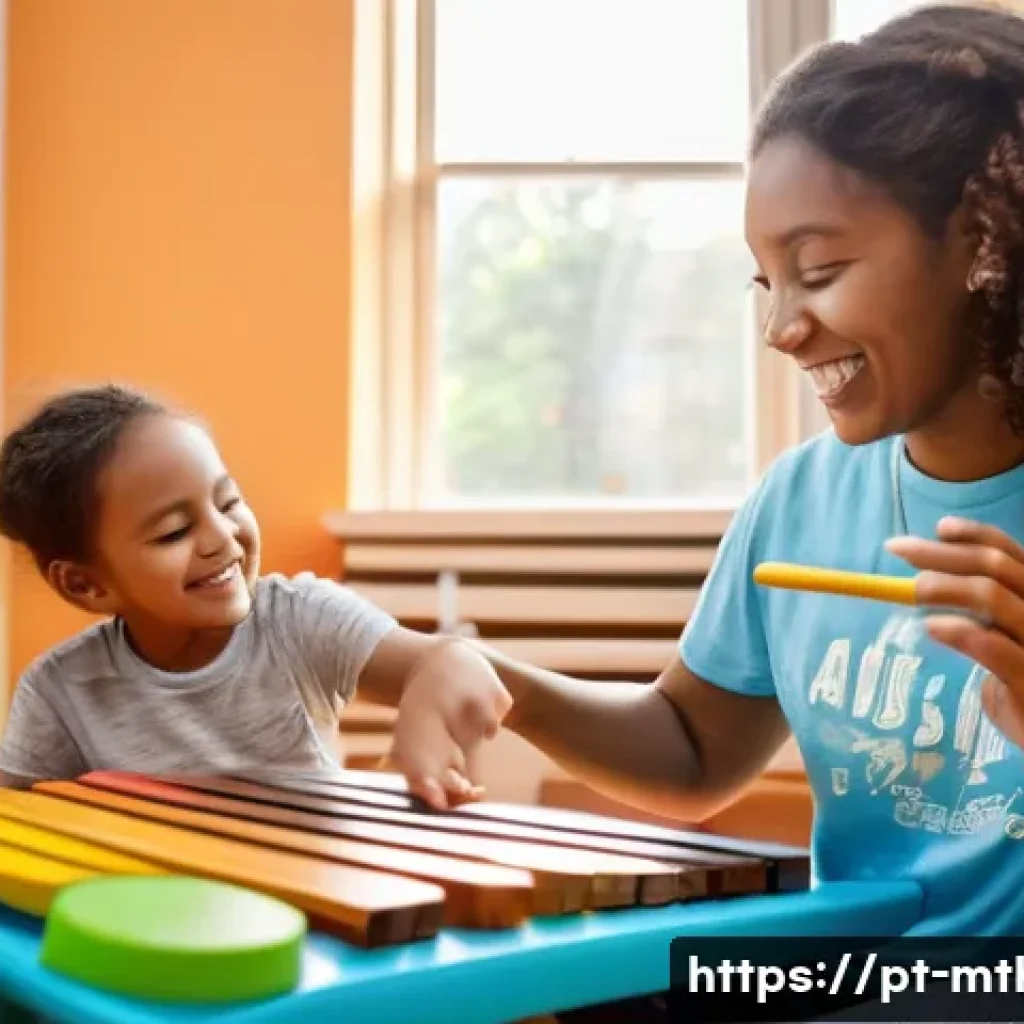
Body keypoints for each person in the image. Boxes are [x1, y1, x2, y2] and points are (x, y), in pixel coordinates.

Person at [469, 0, 1024, 954]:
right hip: (851, 981)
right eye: (767, 282)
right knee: (562, 983)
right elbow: (693, 751)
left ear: (981, 242)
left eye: (819, 269)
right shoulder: (802, 499)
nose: (780, 329)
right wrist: (490, 680)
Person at [0, 385, 513, 801]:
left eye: (228, 502)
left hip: (312, 908)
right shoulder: (58, 689)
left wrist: (419, 729)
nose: (222, 538)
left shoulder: (297, 620)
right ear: (86, 584)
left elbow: (456, 662)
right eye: (174, 532)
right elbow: (16, 827)